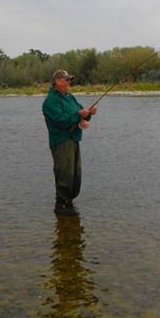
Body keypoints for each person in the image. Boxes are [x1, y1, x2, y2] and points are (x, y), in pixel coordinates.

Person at [42, 70, 96, 216]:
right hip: (61, 141)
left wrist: (87, 115)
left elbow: (79, 113)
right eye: (67, 80)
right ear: (58, 81)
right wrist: (79, 115)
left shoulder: (70, 97)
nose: (69, 82)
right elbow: (60, 119)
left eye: (69, 80)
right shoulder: (50, 101)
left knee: (75, 173)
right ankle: (61, 205)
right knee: (65, 172)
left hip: (74, 138)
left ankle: (68, 201)